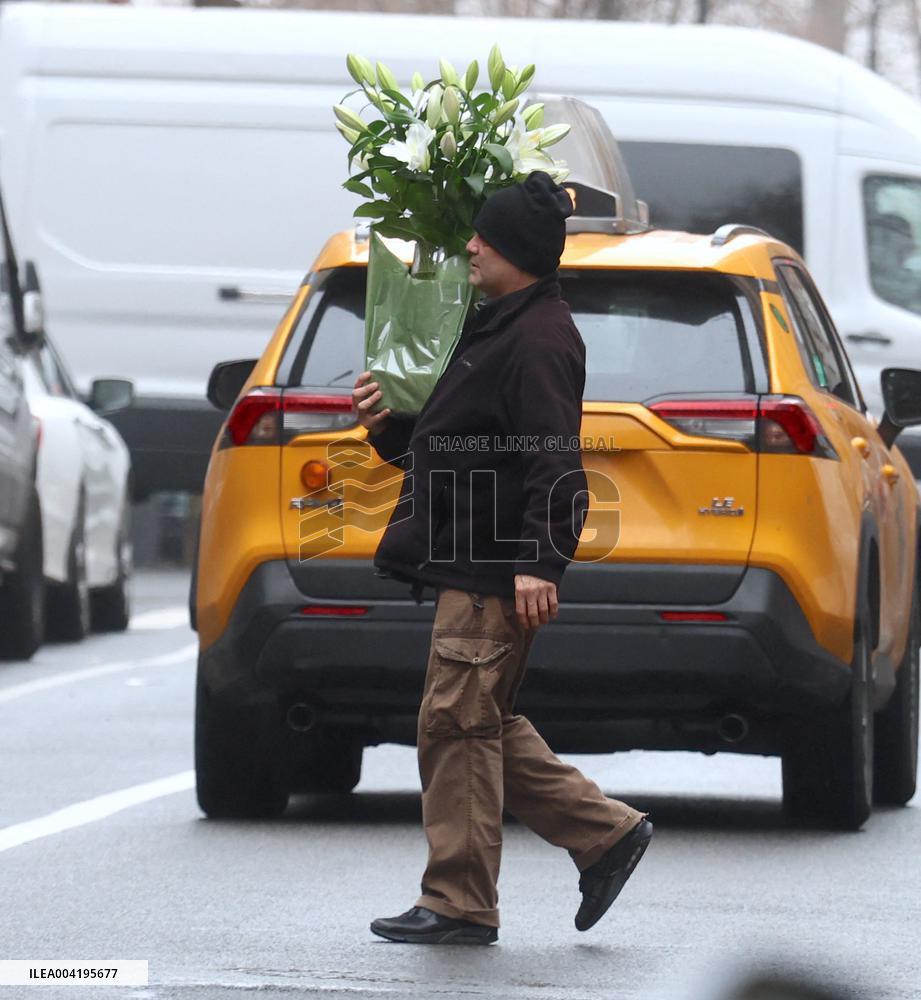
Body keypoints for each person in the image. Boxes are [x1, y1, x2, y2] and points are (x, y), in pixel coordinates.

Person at [351, 171, 652, 946]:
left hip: (491, 566)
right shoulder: (496, 324)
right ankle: (605, 835)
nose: (469, 245)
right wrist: (389, 427)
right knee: (473, 719)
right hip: (471, 560)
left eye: (483, 236)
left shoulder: (538, 338)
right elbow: (463, 442)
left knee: (455, 725)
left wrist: (538, 563)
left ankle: (458, 901)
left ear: (517, 248)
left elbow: (554, 460)